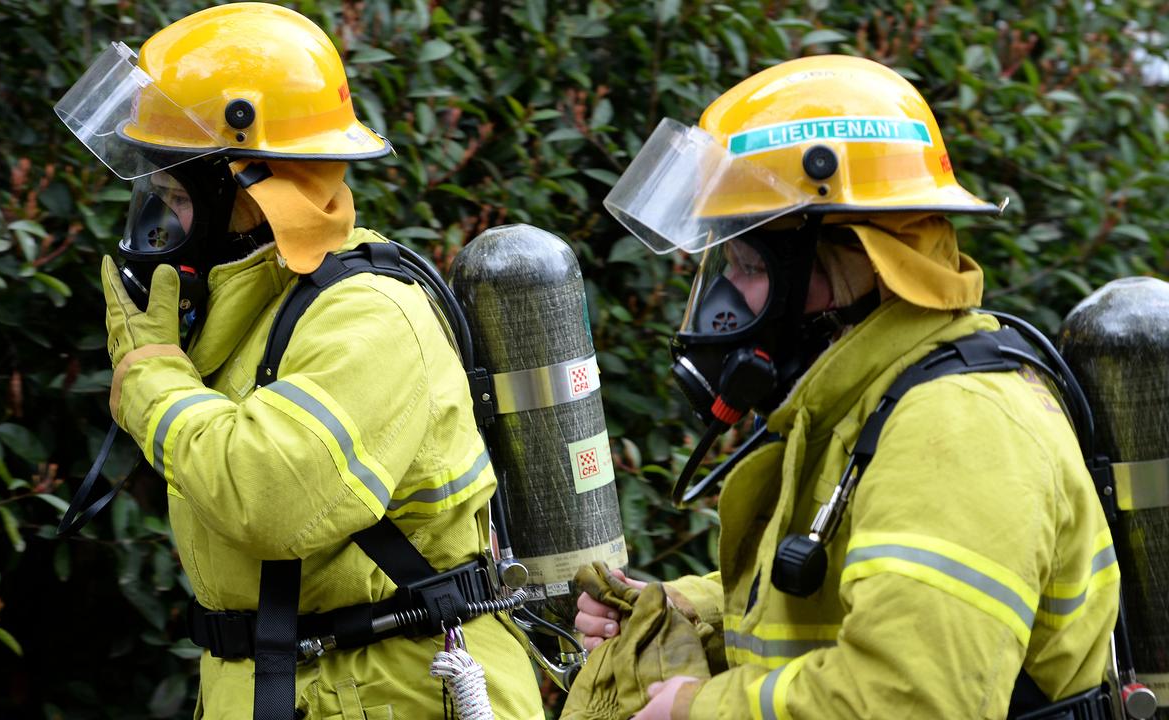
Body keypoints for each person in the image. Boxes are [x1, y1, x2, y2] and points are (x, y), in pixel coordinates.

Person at [577, 55, 1120, 719]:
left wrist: (698, 711)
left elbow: (910, 698)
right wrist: (692, 610)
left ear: (856, 261)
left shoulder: (958, 428)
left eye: (747, 265)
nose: (724, 299)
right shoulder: (857, 406)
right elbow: (835, 605)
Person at [55, 4, 542, 718]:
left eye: (172, 198)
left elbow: (268, 497)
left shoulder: (370, 314)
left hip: (389, 691)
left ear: (247, 195)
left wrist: (151, 379)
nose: (155, 230)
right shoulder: (252, 310)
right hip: (283, 684)